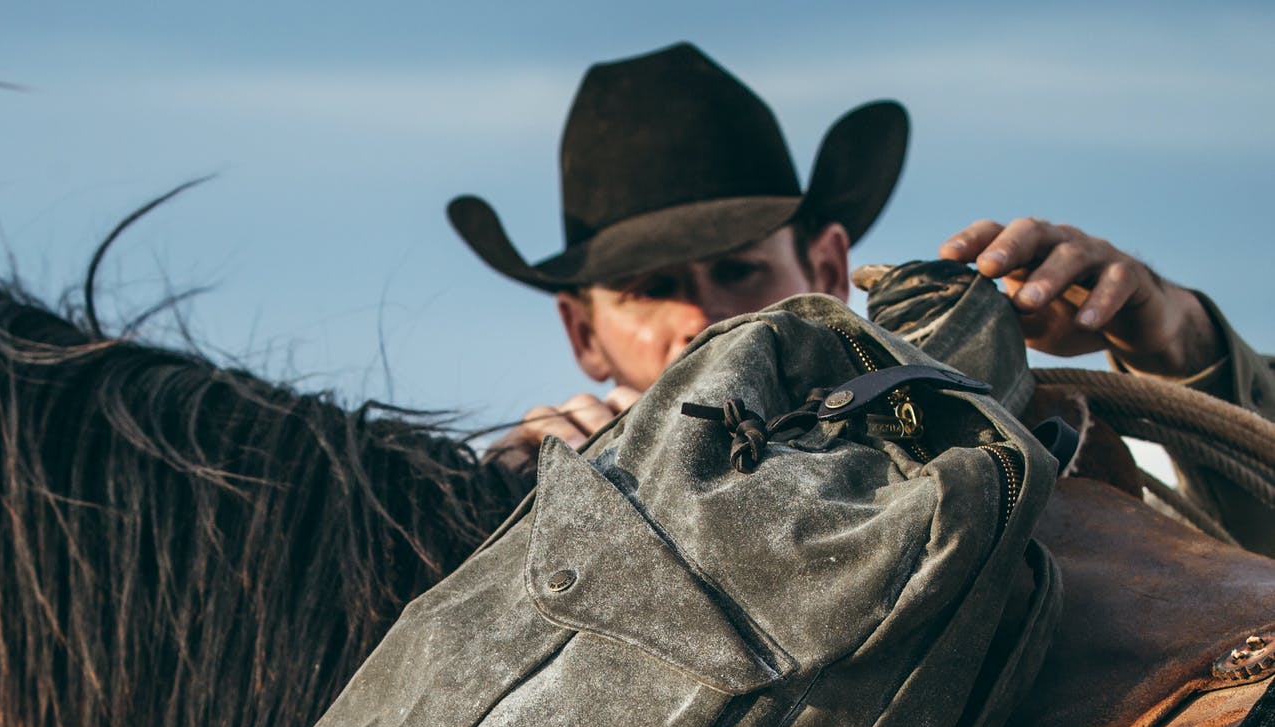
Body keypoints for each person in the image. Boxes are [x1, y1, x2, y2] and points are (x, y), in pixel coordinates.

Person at [449, 43, 1275, 547]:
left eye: (740, 271)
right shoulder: (527, 497)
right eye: (652, 289)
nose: (701, 319)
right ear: (583, 332)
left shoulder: (1004, 443)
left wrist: (1183, 349)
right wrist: (492, 517)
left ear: (829, 267)